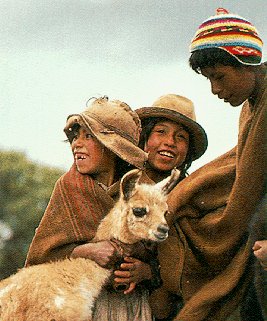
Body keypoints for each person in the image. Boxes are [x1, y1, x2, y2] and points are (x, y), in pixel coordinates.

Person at [149, 8, 266, 321]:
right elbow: (240, 174)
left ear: (247, 63)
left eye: (220, 77)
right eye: (210, 80)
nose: (215, 90)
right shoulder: (252, 108)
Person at [25, 96, 159, 320]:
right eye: (75, 136)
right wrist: (86, 251)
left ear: (114, 148)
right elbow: (39, 258)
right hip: (80, 305)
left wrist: (146, 272)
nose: (77, 143)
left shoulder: (145, 191)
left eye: (89, 136)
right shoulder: (68, 188)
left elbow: (169, 256)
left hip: (133, 308)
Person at [113, 94, 208, 304]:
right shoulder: (118, 183)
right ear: (144, 136)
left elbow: (199, 263)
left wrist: (150, 272)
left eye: (181, 137)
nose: (170, 142)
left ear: (188, 150)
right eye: (160, 132)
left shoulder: (193, 196)